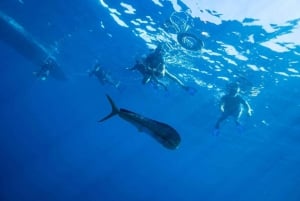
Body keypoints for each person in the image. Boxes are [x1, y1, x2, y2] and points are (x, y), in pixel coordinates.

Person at [130, 44, 195, 93]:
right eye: (158, 50)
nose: (158, 52)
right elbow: (146, 62)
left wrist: (162, 72)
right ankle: (152, 82)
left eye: (160, 51)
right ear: (156, 49)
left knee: (171, 77)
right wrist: (149, 68)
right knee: (144, 82)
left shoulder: (161, 57)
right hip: (150, 69)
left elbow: (163, 66)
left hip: (158, 69)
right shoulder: (151, 55)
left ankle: (183, 86)